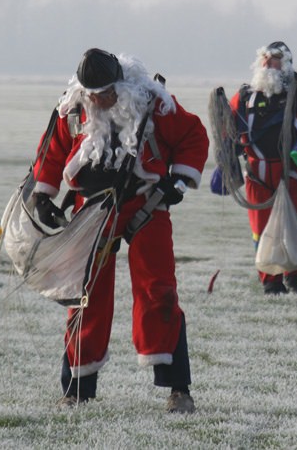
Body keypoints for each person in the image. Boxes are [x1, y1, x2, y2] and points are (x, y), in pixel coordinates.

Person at [30, 48, 209, 412]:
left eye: (106, 92)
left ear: (121, 84)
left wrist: (178, 180)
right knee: (85, 296)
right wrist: (44, 194)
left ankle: (179, 389)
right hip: (90, 212)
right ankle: (77, 389)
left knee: (159, 292)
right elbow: (52, 151)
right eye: (92, 93)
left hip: (146, 206)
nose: (99, 100)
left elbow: (193, 135)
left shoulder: (154, 105)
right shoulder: (73, 109)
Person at [222, 41, 297, 295]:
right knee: (260, 228)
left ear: (285, 64)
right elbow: (227, 128)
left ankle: (294, 277)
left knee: (294, 225)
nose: (267, 63)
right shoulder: (244, 96)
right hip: (257, 173)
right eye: (264, 58)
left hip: (291, 171)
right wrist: (226, 163)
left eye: (273, 59)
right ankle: (269, 280)